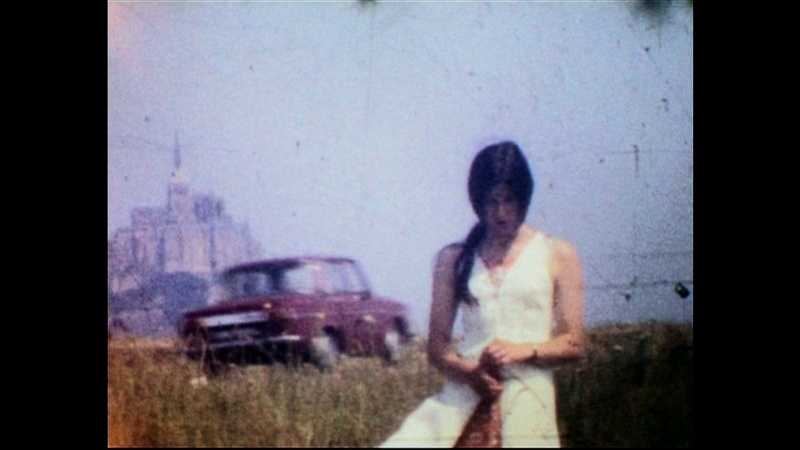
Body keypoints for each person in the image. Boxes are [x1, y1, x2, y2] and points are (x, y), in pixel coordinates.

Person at [380, 141, 585, 447]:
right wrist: (470, 374)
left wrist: (523, 351)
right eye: (491, 201)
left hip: (528, 397)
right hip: (465, 396)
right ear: (478, 202)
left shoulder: (557, 253)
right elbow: (437, 349)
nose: (501, 213)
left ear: (524, 197)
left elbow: (574, 343)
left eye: (509, 200)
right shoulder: (454, 259)